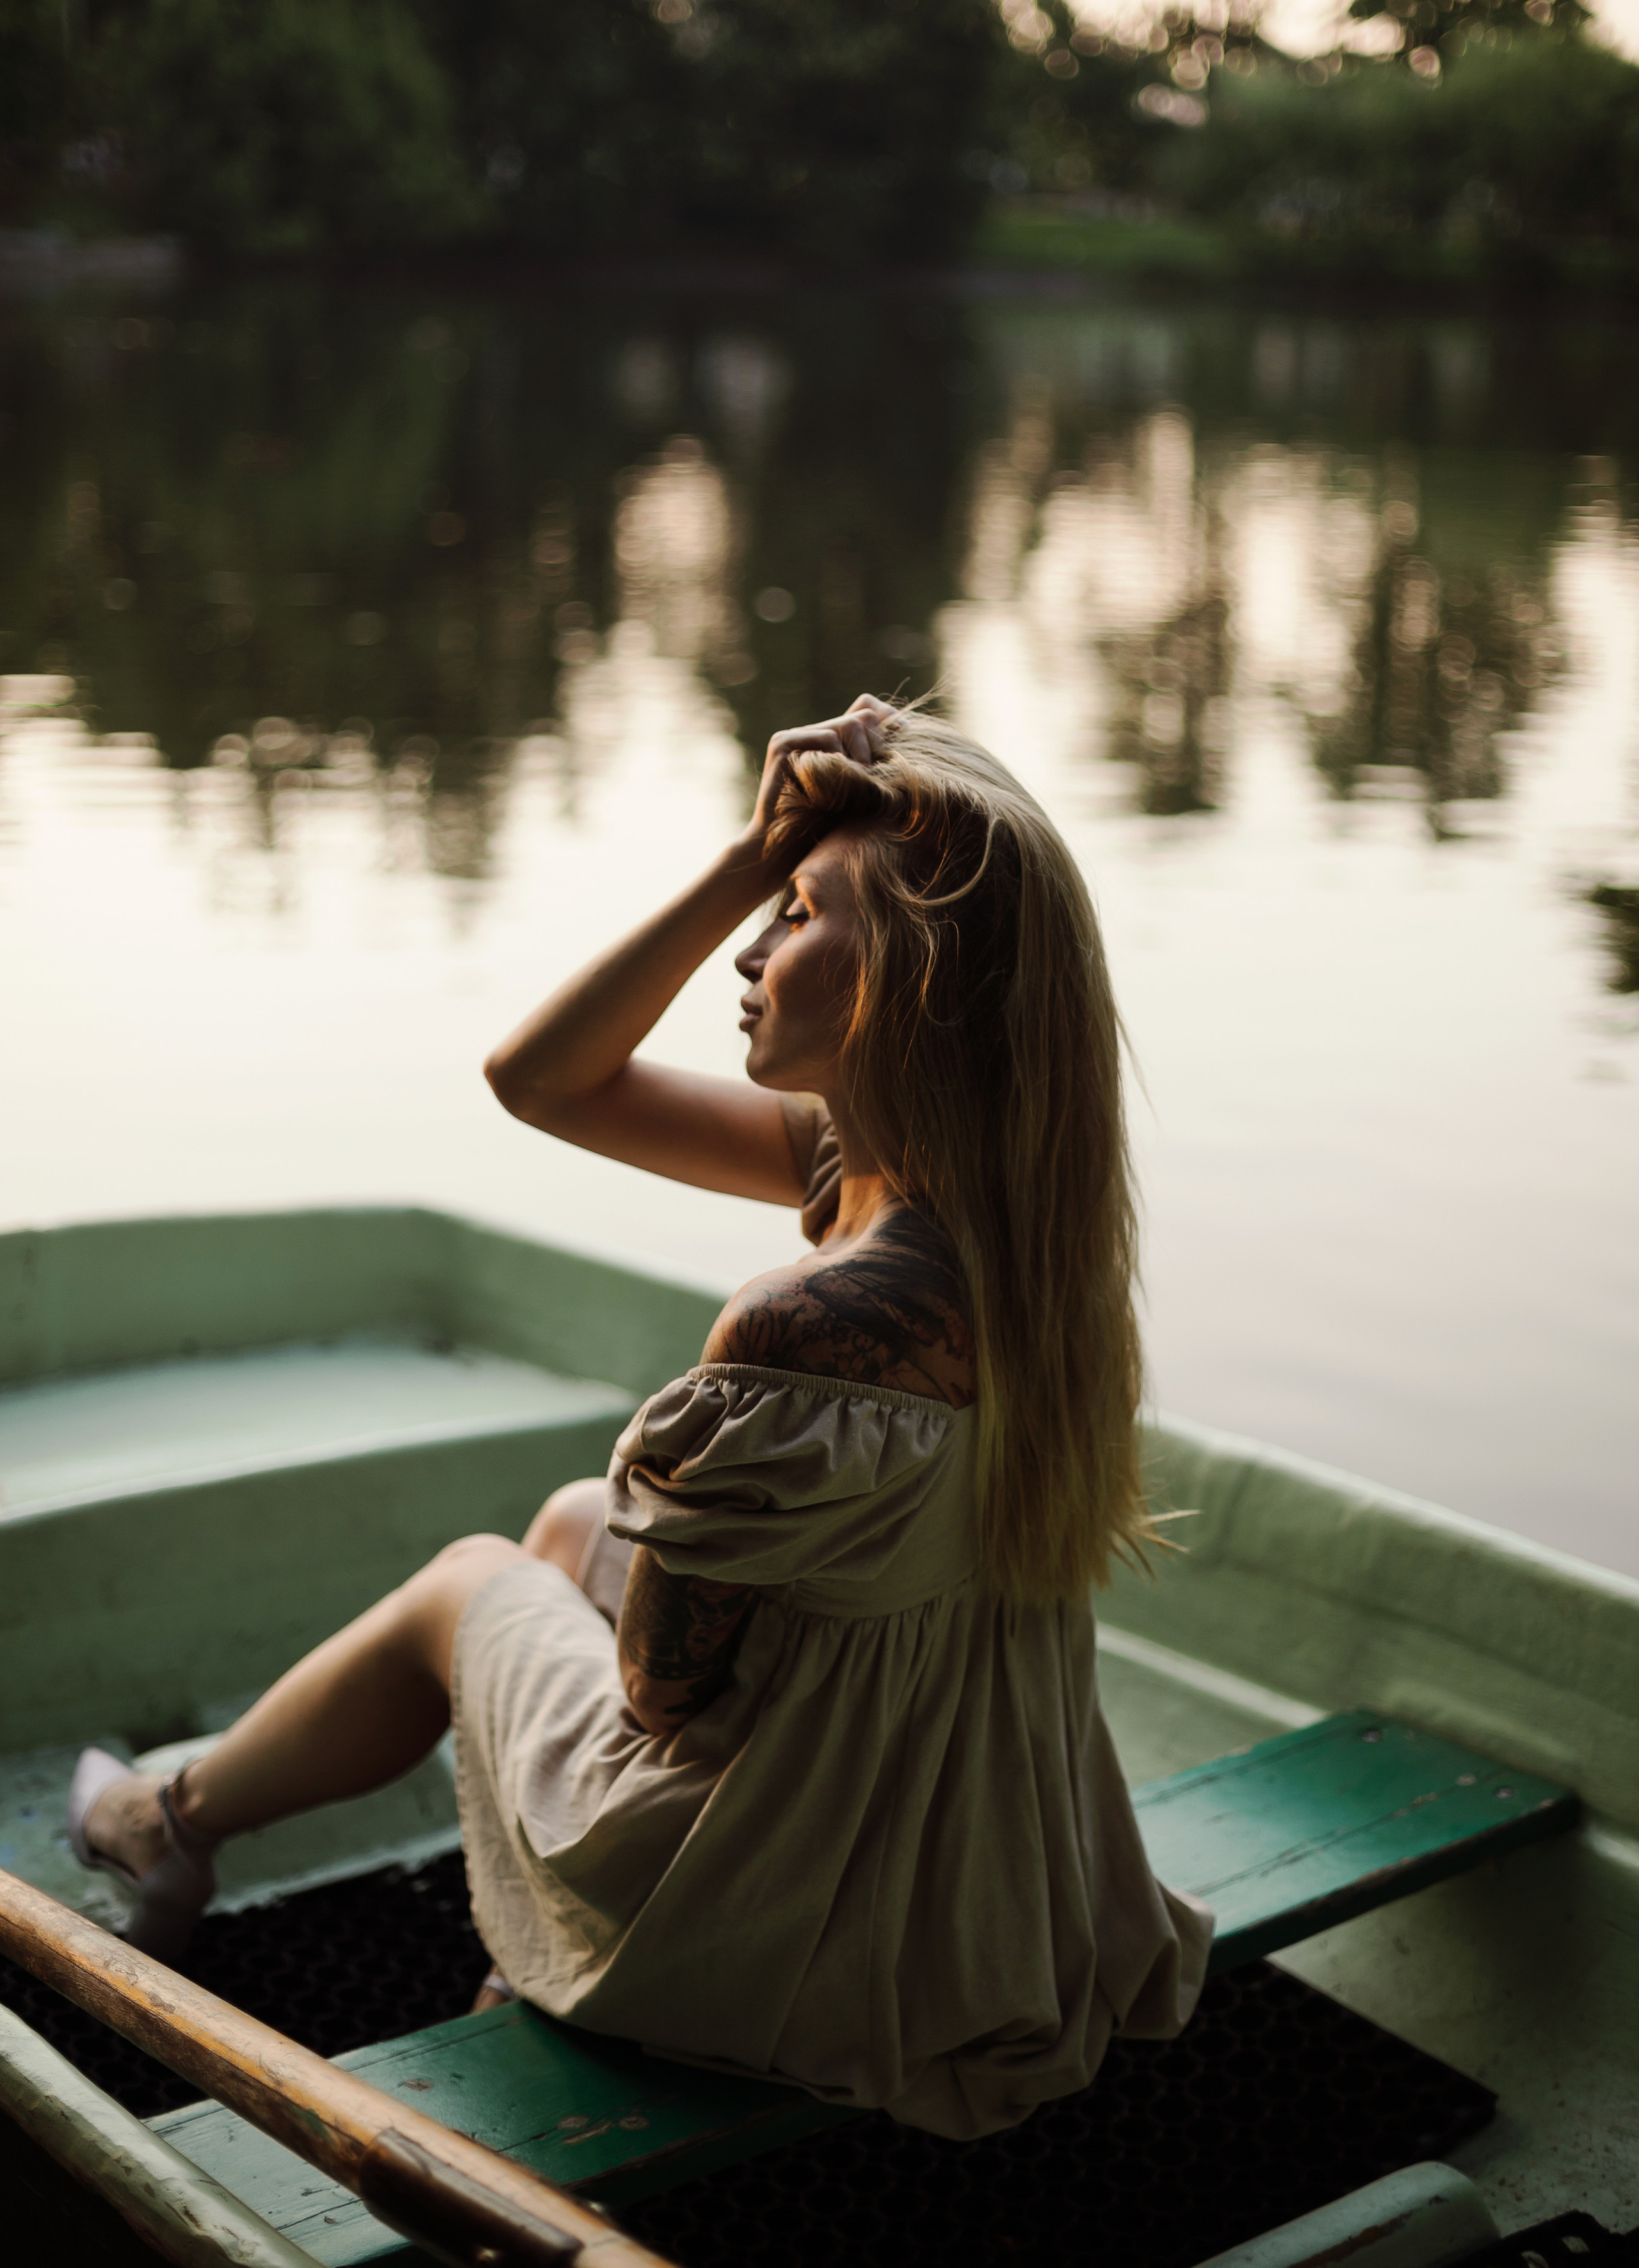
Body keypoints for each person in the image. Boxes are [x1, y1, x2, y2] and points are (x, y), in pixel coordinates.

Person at [70, 693, 1211, 2138]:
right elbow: (541, 1082)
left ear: (907, 980)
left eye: (795, 915)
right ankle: (450, 1916)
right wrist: (755, 852)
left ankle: (166, 1825)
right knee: (570, 1522)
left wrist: (745, 865)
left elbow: (663, 1694)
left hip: (778, 1921)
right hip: (979, 1879)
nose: (747, 951)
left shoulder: (812, 1319)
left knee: (471, 1581)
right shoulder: (1028, 1229)